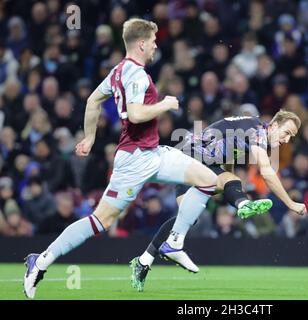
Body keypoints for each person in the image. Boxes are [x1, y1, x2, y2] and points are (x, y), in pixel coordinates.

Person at [23, 18, 223, 299]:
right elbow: (137, 113)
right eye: (152, 40)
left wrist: (90, 137)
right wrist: (164, 103)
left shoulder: (118, 71)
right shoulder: (137, 75)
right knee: (101, 221)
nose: (155, 45)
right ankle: (40, 261)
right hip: (134, 160)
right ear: (141, 43)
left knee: (210, 180)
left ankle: (174, 243)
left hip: (152, 152)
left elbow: (93, 100)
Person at [130, 110, 307, 291]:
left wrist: (227, 188)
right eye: (286, 133)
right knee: (230, 182)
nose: (287, 140)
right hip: (192, 159)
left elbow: (228, 153)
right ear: (275, 126)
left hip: (191, 157)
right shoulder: (258, 131)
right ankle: (243, 204)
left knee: (187, 217)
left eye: (291, 137)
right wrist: (290, 203)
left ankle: (144, 261)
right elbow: (267, 173)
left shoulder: (250, 127)